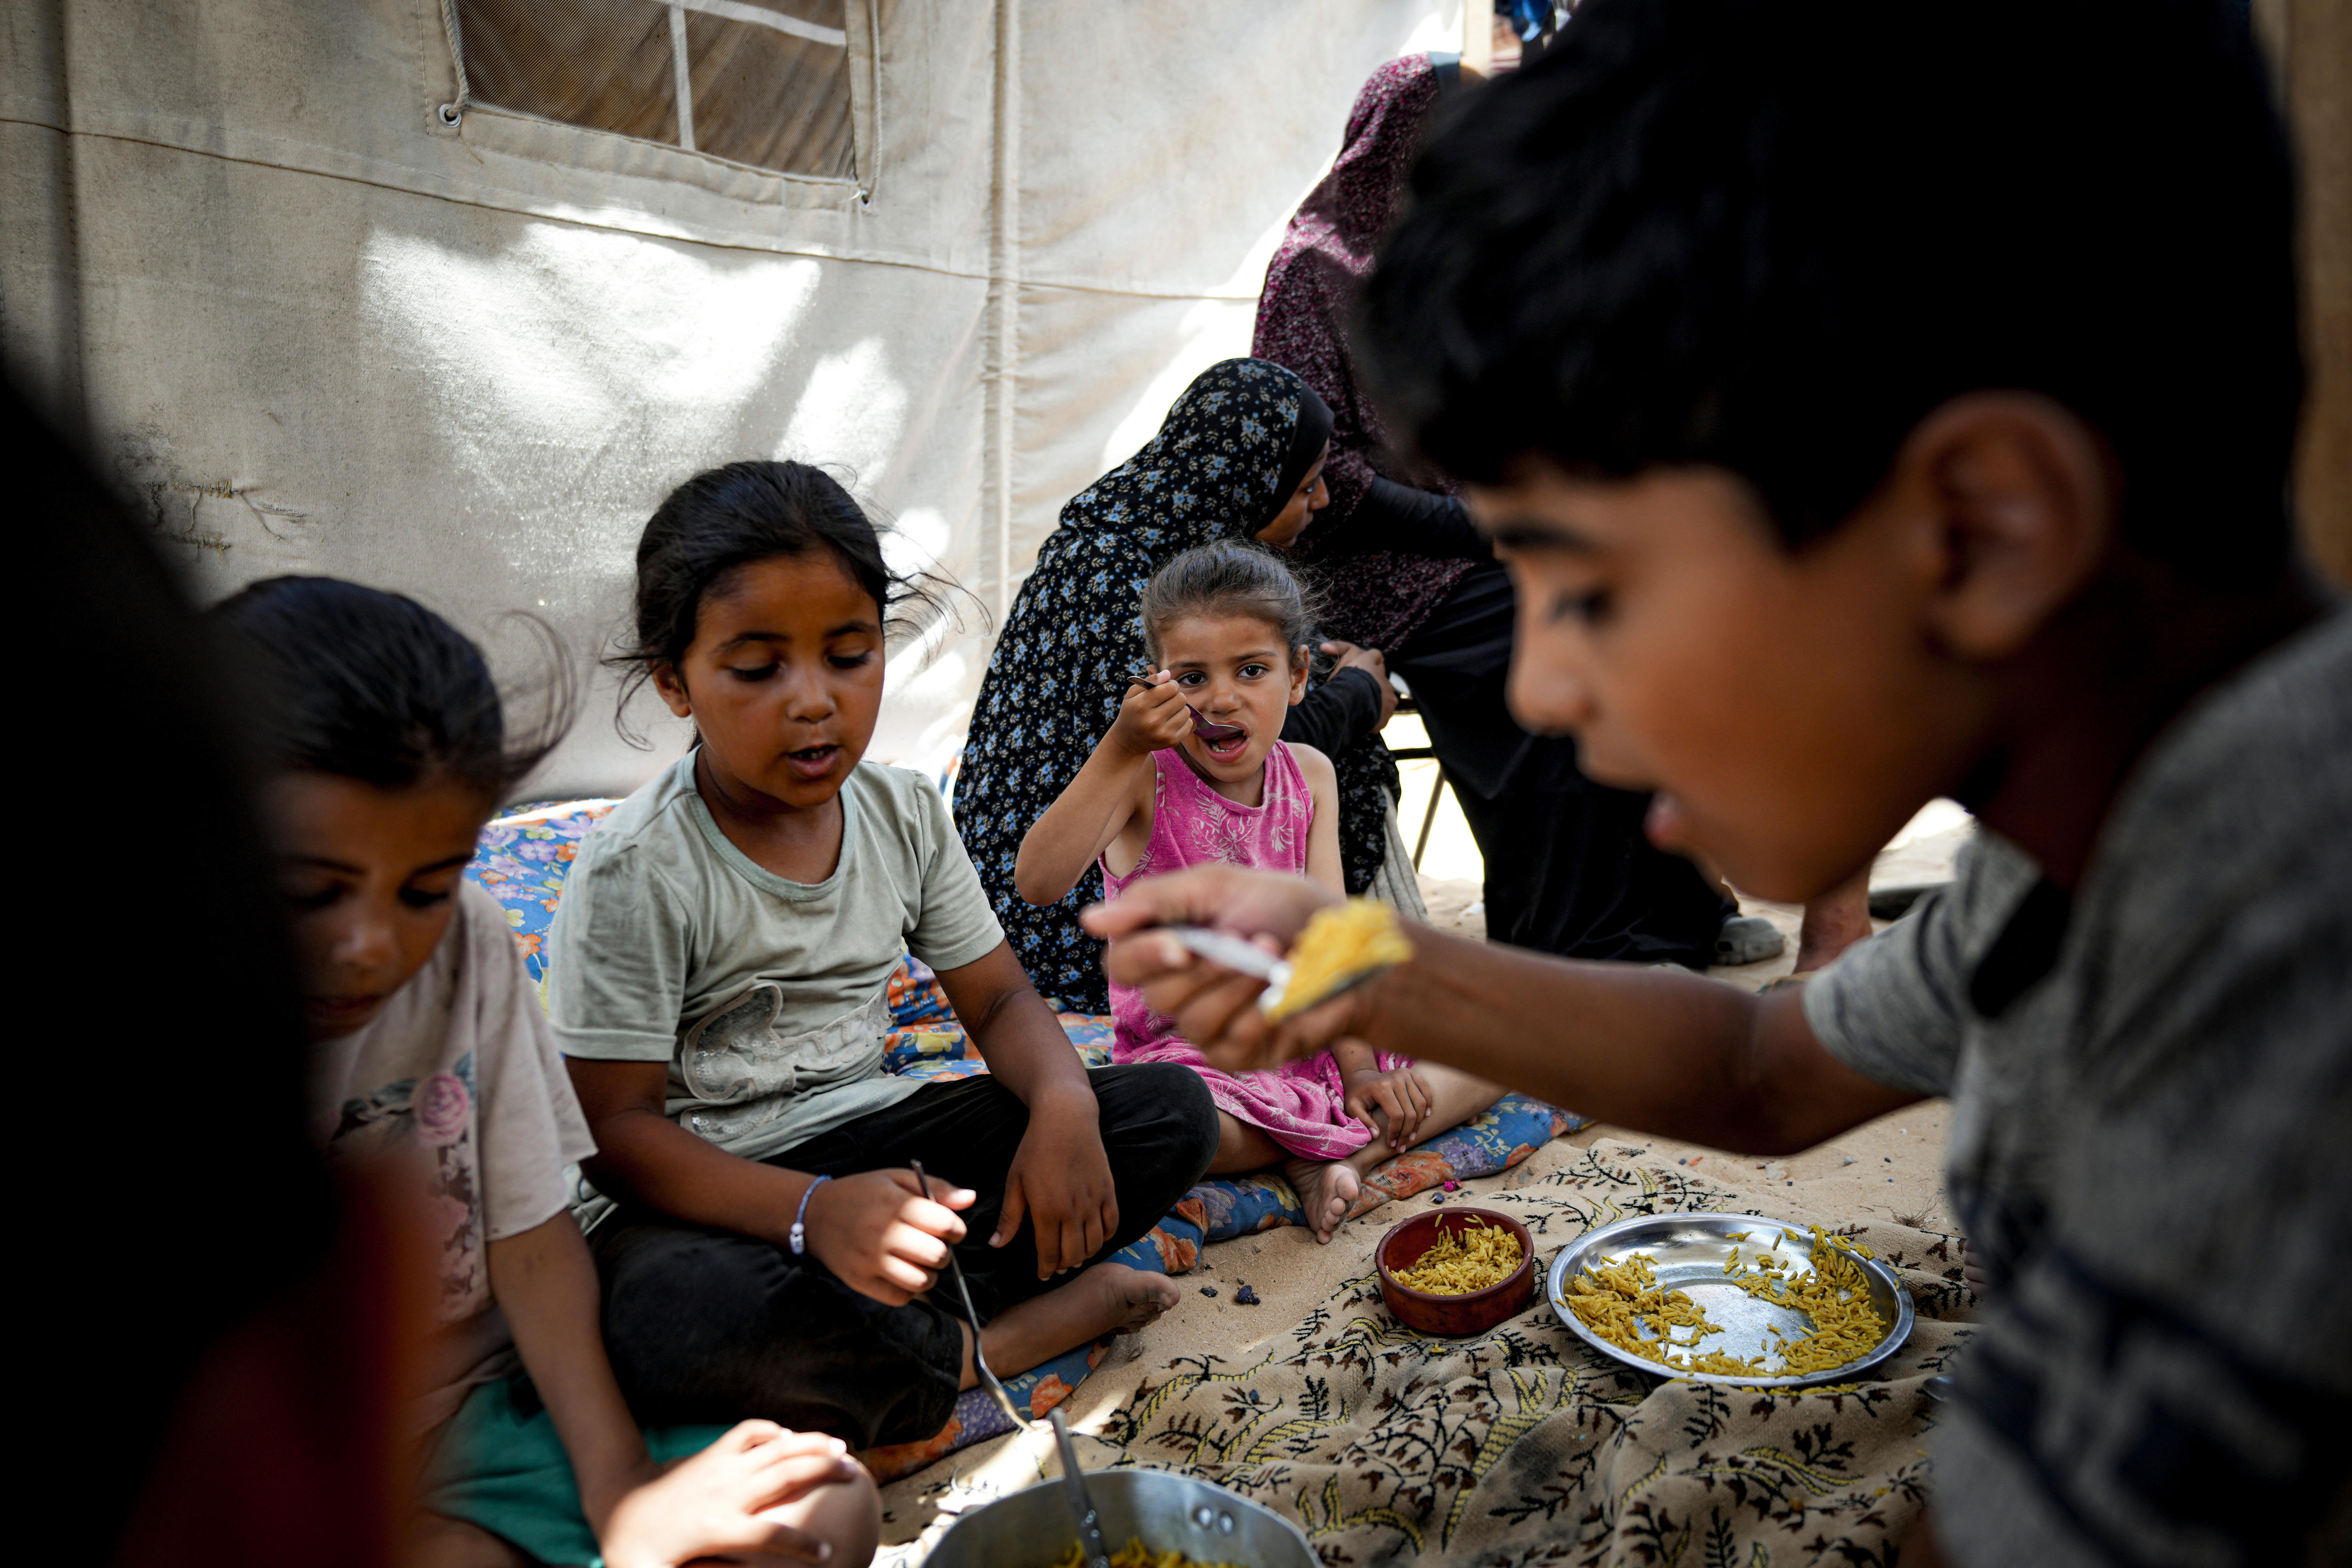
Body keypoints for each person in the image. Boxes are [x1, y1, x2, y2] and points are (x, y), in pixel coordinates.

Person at [1089, 3, 2348, 1565]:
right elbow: (1760, 1074)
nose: (1544, 681)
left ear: (1983, 529)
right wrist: (1347, 956)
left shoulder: (2282, 991)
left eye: (1595, 584)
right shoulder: (2075, 861)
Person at [548, 462, 1221, 1452]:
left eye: (849, 654)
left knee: (1169, 1110)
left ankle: (899, 1327)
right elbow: (615, 1131)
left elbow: (994, 1002)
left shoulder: (902, 813)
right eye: (756, 667)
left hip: (875, 1139)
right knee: (660, 1316)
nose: (813, 701)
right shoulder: (638, 869)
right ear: (673, 678)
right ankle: (986, 1339)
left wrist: (1065, 1104)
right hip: (708, 1190)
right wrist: (811, 1212)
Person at [214, 576, 881, 1568]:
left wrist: (619, 1494)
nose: (370, 944)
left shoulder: (469, 945)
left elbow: (531, 1235)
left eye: (425, 887)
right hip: (258, 1465)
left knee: (825, 1504)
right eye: (312, 891)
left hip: (481, 1406)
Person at [1252, 52, 1750, 969]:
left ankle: (1663, 910)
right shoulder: (1308, 270)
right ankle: (1565, 941)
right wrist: (1471, 527)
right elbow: (1317, 477)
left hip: (1471, 546)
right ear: (1399, 146)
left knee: (1621, 614)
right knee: (1531, 636)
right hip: (1375, 564)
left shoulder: (1443, 262)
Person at [1017, 542, 1504, 1242]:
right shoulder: (1142, 776)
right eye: (1191, 676)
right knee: (1172, 1122)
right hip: (1199, 1065)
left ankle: (1343, 1153)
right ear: (1158, 683)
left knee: (1490, 1040)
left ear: (1299, 674)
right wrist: (1118, 747)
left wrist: (1362, 1070)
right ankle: (1328, 1147)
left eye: (1251, 670)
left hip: (1314, 1041)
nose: (1220, 697)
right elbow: (1036, 881)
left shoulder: (1309, 775)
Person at [954, 358, 1410, 1015]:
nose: (1322, 501)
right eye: (1305, 484)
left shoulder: (1132, 542)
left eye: (1256, 667)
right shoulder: (1124, 584)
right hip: (1079, 925)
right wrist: (1360, 696)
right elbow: (1227, 746)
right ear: (1247, 482)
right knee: (1354, 760)